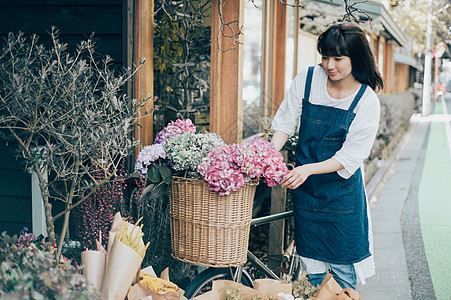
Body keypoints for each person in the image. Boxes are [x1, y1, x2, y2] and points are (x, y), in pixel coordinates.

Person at [270, 22, 383, 290]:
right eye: (324, 57)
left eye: (338, 58)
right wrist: (264, 157)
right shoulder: (308, 79)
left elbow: (350, 156)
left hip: (342, 195)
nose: (329, 65)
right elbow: (285, 124)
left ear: (356, 57)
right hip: (307, 192)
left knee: (344, 272)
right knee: (314, 274)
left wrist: (307, 169)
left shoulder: (366, 101)